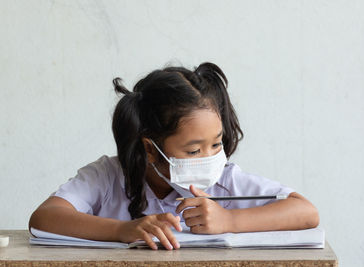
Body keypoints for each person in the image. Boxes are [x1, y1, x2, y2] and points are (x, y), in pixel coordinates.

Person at [29, 62, 319, 250]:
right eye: (194, 150)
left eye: (216, 144)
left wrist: (230, 221)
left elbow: (306, 212)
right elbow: (45, 218)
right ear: (150, 149)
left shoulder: (225, 181)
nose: (210, 158)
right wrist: (122, 229)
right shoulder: (108, 176)